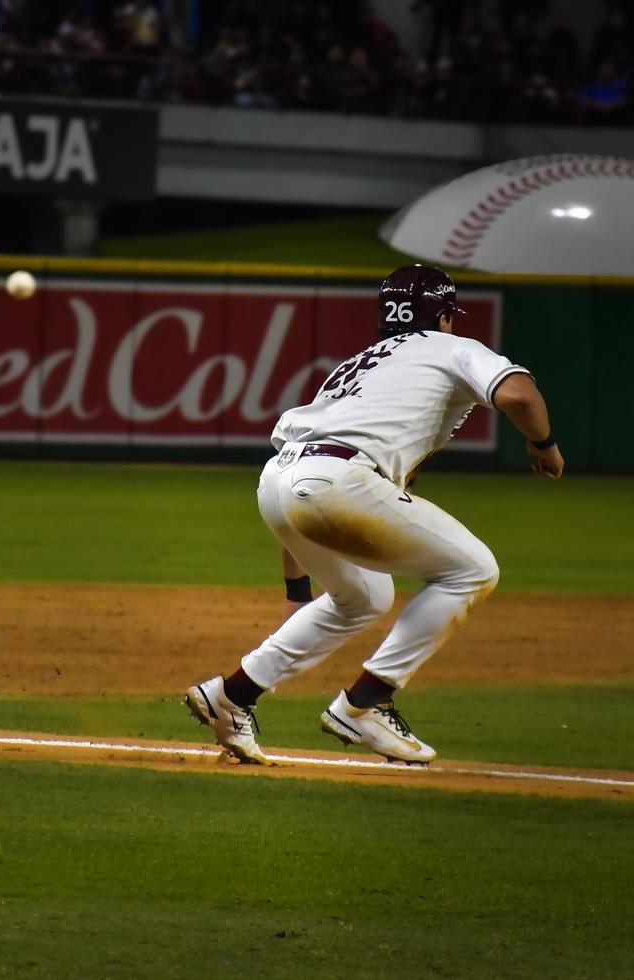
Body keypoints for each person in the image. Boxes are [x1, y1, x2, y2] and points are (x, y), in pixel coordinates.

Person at [185, 265, 563, 765]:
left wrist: (298, 592)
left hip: (279, 479)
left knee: (365, 596)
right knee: (473, 570)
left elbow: (301, 488)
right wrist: (544, 445)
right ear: (444, 316)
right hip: (335, 480)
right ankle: (366, 703)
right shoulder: (451, 347)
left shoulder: (359, 366)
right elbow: (519, 394)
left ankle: (232, 695)